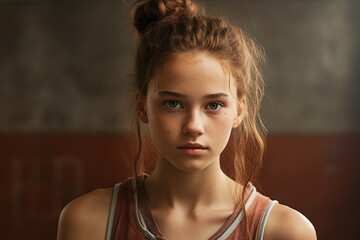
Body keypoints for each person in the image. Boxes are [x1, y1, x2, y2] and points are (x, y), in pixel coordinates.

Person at [57, 0, 317, 239]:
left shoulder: (285, 231)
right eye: (173, 104)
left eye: (213, 105)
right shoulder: (90, 221)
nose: (193, 126)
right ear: (142, 106)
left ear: (239, 111)